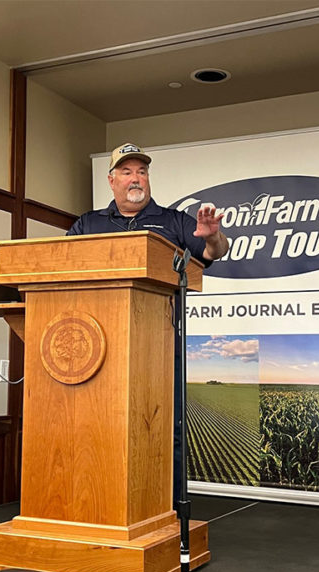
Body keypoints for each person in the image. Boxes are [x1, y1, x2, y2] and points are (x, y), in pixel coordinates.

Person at [67, 142, 229, 504]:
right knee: (96, 426)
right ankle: (99, 504)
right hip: (95, 347)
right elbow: (61, 267)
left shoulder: (172, 221)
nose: (135, 178)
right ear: (112, 180)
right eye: (127, 171)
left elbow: (214, 251)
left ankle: (163, 509)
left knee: (162, 429)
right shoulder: (88, 224)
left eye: (142, 171)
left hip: (158, 346)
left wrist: (214, 235)